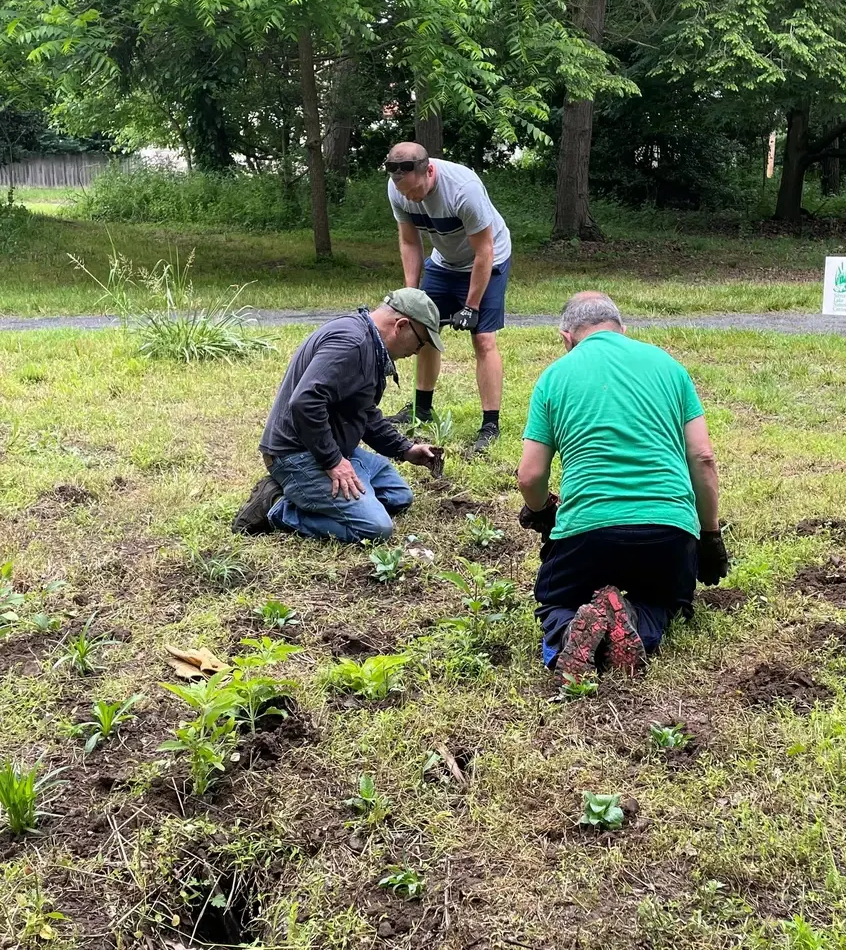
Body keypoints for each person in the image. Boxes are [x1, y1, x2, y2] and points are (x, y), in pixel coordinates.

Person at [516, 292, 729, 681]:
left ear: (566, 338)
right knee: (662, 601)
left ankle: (569, 633)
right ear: (623, 330)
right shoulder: (669, 366)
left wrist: (544, 511)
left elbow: (530, 476)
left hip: (589, 533)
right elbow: (703, 459)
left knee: (558, 601)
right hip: (669, 532)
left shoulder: (554, 377)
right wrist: (710, 535)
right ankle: (630, 616)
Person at [231, 289, 444, 543]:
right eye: (420, 342)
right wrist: (333, 462)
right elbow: (305, 402)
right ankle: (277, 506)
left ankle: (317, 493)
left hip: (332, 447)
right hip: (297, 454)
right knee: (376, 529)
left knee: (398, 496)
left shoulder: (367, 343)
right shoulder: (351, 344)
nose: (419, 351)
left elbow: (363, 412)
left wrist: (405, 449)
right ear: (401, 325)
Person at [383, 141, 512, 455]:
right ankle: (422, 409)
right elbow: (410, 242)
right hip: (443, 262)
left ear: (429, 170)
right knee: (422, 331)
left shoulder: (463, 189)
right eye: (406, 194)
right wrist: (411, 295)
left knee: (483, 339)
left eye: (416, 192)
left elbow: (484, 251)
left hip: (487, 260)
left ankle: (490, 425)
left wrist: (471, 306)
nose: (412, 199)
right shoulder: (397, 187)